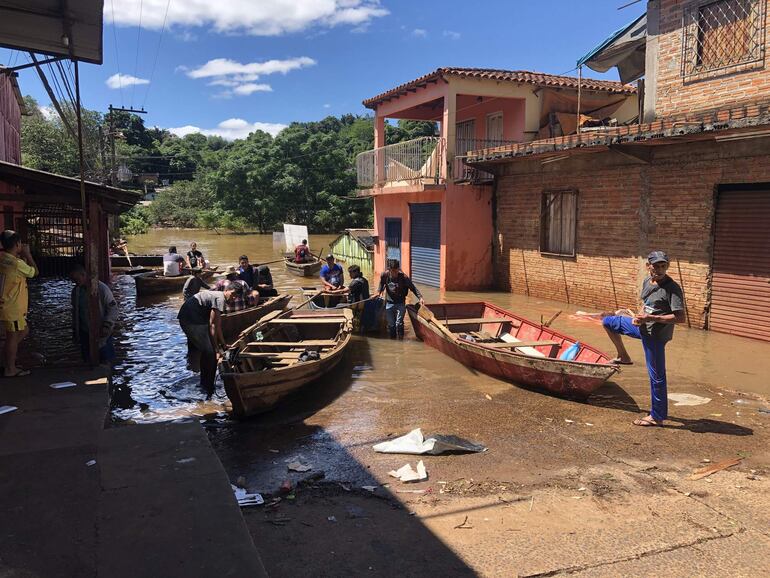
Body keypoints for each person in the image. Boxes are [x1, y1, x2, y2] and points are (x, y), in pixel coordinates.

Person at [602, 251, 685, 427]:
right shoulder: (648, 281)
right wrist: (639, 316)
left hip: (655, 335)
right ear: (649, 267)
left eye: (664, 266)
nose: (660, 270)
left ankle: (657, 416)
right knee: (608, 322)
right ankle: (624, 356)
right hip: (642, 326)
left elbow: (680, 318)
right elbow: (647, 305)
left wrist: (651, 319)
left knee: (657, 377)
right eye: (656, 266)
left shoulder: (673, 288)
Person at [177, 284, 241, 391]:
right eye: (233, 294)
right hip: (191, 320)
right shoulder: (220, 299)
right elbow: (213, 325)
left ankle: (204, 382)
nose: (233, 298)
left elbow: (217, 325)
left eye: (236, 297)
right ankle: (207, 386)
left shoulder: (219, 298)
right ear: (226, 291)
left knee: (207, 351)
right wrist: (216, 349)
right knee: (210, 353)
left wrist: (223, 344)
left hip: (190, 317)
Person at [0, 230, 37, 377]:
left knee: (24, 330)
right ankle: (10, 368)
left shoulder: (3, 259)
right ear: (17, 244)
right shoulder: (17, 263)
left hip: (5, 303)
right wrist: (28, 254)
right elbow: (34, 272)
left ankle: (7, 359)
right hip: (12, 306)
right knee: (13, 337)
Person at [69, 264, 118, 364]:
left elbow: (113, 308)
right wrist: (76, 331)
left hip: (102, 331)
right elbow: (76, 311)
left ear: (83, 275)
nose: (75, 282)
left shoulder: (102, 289)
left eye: (76, 279)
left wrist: (107, 325)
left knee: (106, 359)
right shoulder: (76, 291)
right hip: (84, 332)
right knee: (87, 360)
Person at [378, 259, 424, 339]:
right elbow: (381, 284)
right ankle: (393, 341)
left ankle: (400, 340)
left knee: (399, 323)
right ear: (389, 270)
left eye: (396, 271)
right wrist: (379, 291)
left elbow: (413, 288)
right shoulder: (384, 275)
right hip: (389, 303)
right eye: (392, 271)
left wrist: (420, 297)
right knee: (391, 324)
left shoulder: (404, 277)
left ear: (398, 269)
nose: (394, 273)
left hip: (400, 303)